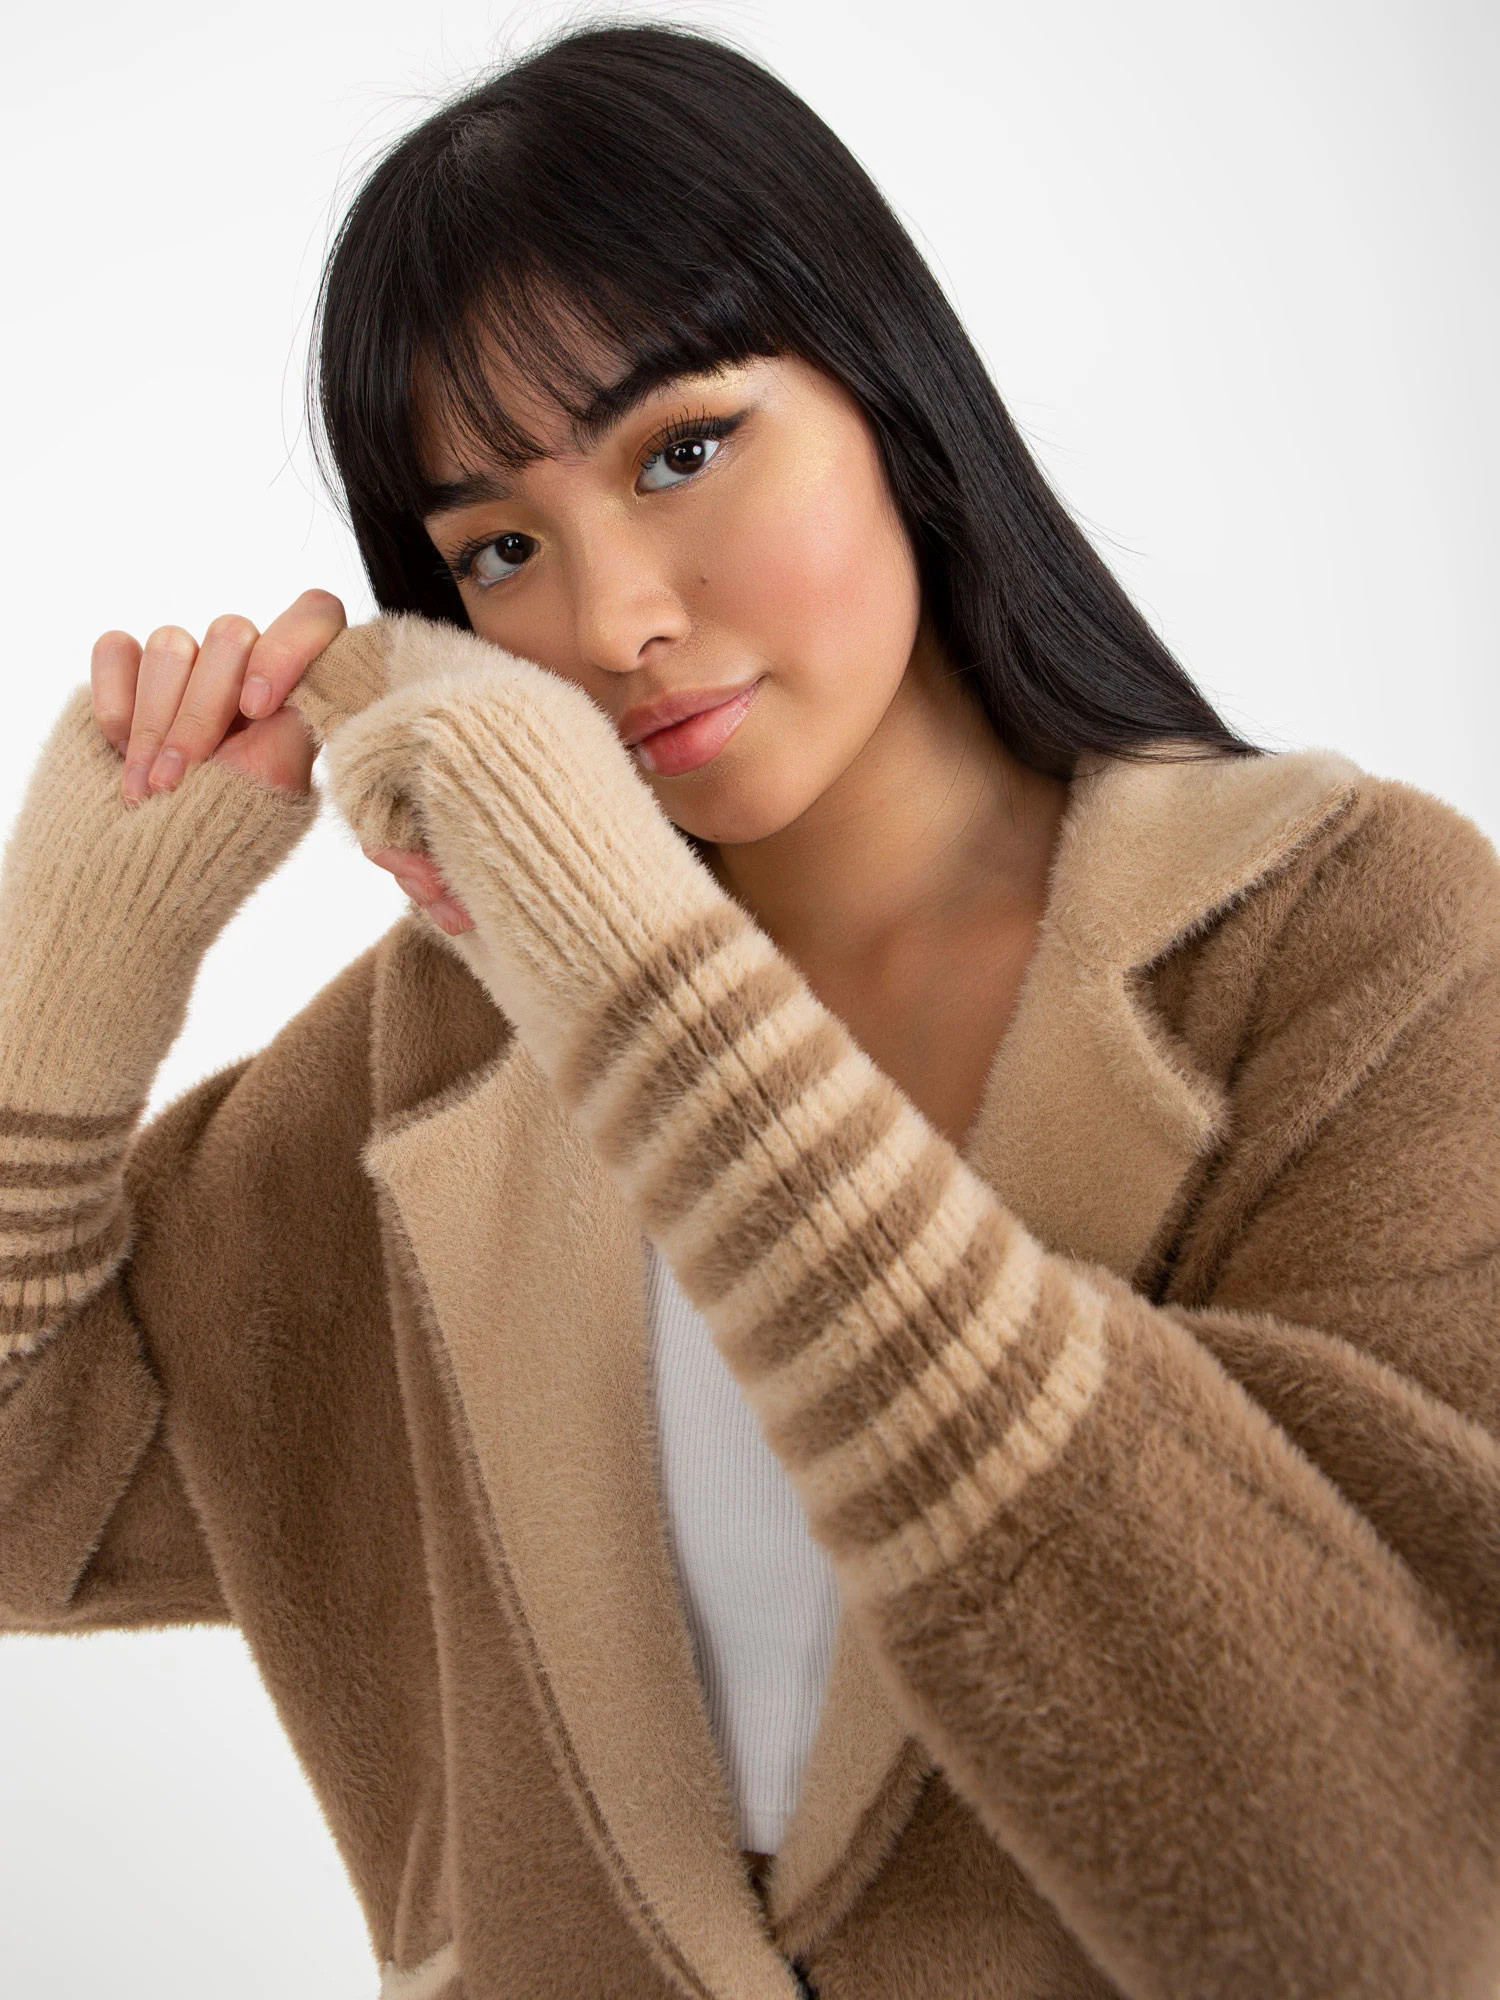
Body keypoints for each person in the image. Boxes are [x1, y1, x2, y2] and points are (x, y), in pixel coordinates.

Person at [3, 21, 1498, 2000]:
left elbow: (1399, 1894)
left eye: (685, 449)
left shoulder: (1344, 944)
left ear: (887, 385)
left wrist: (643, 978)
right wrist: (65, 982)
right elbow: (35, 1505)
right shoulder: (439, 1047)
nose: (614, 620)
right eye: (500, 549)